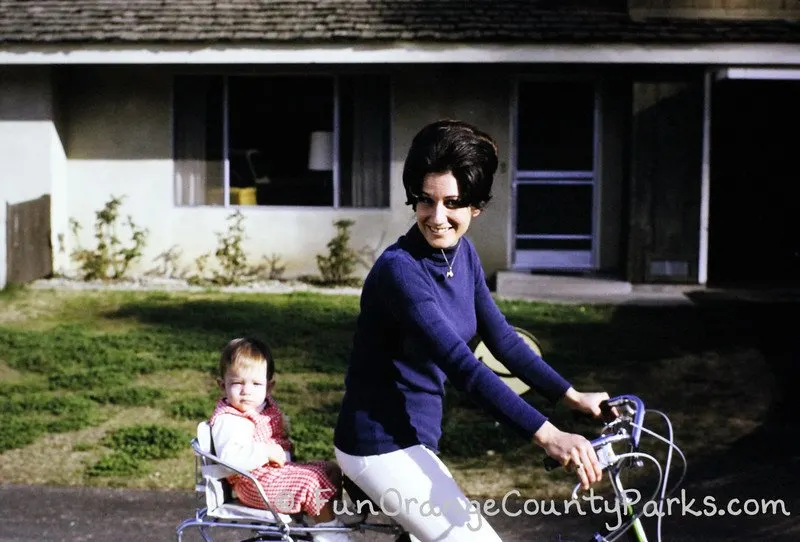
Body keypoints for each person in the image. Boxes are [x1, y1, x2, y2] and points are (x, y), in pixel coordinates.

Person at [333, 119, 610, 541]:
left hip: (416, 441)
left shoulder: (463, 255)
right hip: (378, 445)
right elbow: (463, 366)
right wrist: (549, 436)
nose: (437, 217)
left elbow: (501, 340)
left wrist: (572, 397)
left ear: (475, 207)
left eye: (453, 203)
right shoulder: (400, 272)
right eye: (425, 201)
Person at [209, 337, 354, 542]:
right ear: (223, 386)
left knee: (329, 470)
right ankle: (328, 532)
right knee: (311, 482)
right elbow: (231, 459)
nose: (247, 391)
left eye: (256, 384)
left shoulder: (262, 406)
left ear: (269, 387)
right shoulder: (231, 420)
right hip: (253, 485)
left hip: (273, 477)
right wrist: (266, 452)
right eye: (237, 383)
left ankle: (328, 517)